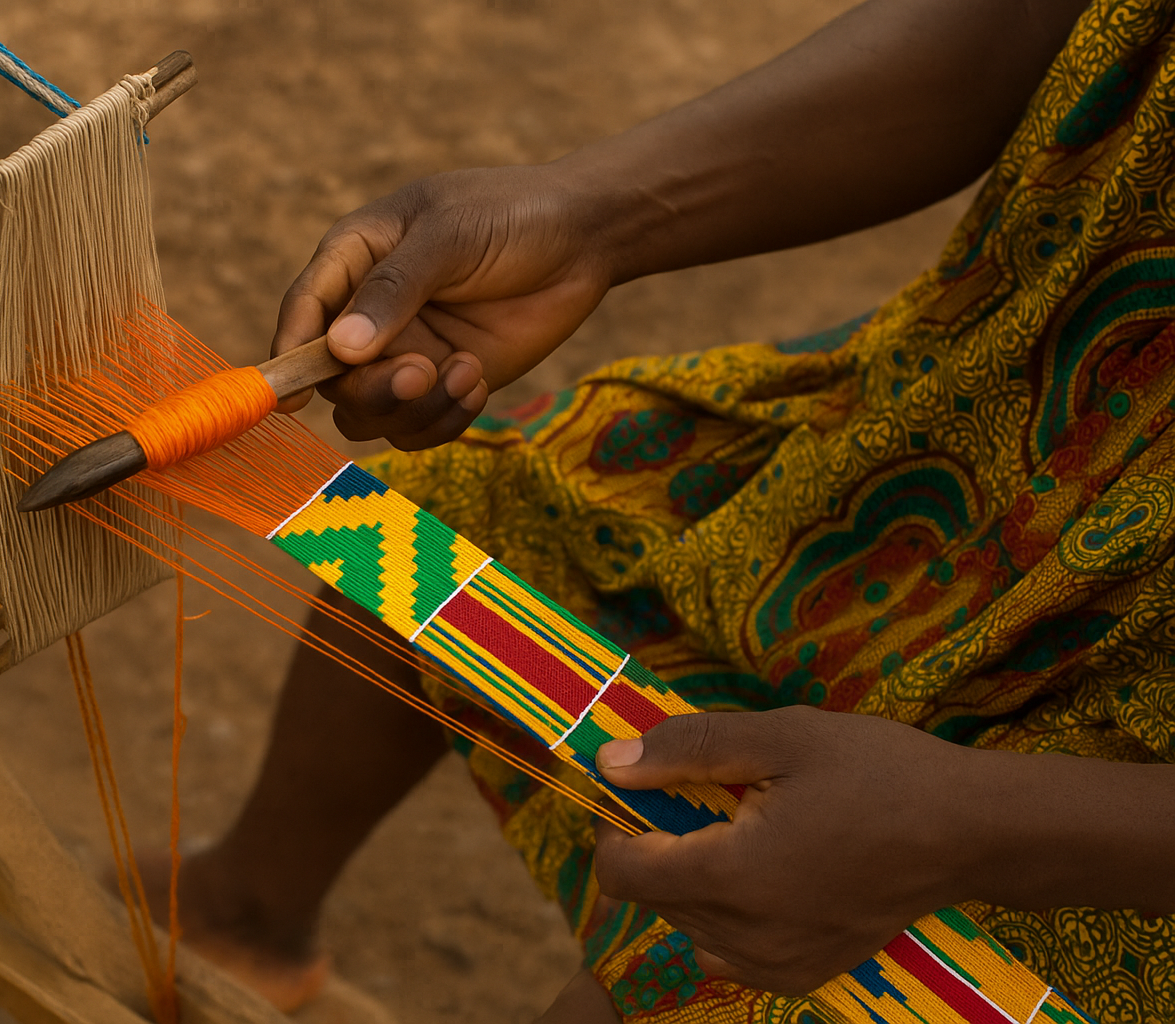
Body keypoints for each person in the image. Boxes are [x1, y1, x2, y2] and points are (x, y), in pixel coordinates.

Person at [151, 0, 1175, 1020]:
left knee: (689, 995)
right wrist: (595, 214)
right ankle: (242, 917)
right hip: (990, 439)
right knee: (437, 535)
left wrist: (973, 825)